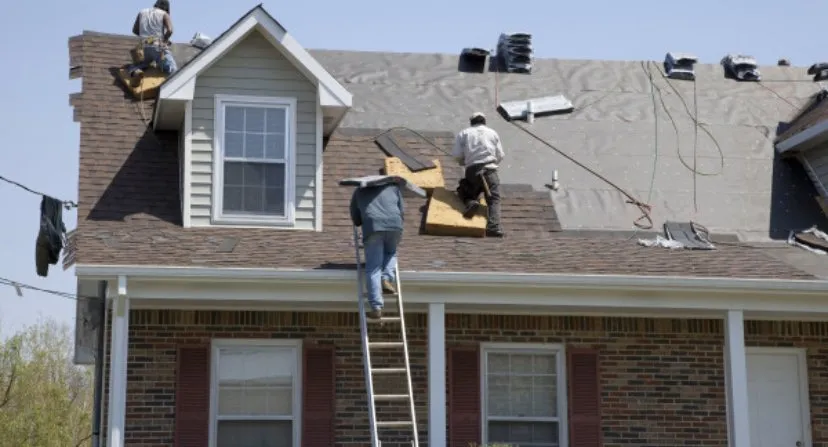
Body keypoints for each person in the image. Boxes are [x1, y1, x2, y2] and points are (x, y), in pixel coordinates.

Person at [350, 182, 405, 319]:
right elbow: (402, 210)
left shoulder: (359, 190)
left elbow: (356, 219)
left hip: (373, 227)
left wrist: (362, 219)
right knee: (391, 252)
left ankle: (376, 307)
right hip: (395, 225)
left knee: (374, 268)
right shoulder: (393, 187)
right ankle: (386, 278)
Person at [452, 112, 505, 237]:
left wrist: (464, 162)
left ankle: (470, 202)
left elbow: (457, 156)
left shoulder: (464, 133)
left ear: (471, 122)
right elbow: (500, 155)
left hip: (472, 170)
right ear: (484, 122)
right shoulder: (492, 133)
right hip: (489, 169)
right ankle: (493, 227)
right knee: (493, 199)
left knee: (465, 189)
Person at [127, 0, 177, 78]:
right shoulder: (164, 14)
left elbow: (135, 30)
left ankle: (136, 71)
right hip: (157, 47)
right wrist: (164, 41)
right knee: (173, 70)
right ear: (166, 8)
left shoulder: (142, 12)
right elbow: (170, 30)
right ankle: (168, 87)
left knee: (141, 65)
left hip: (143, 48)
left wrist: (147, 36)